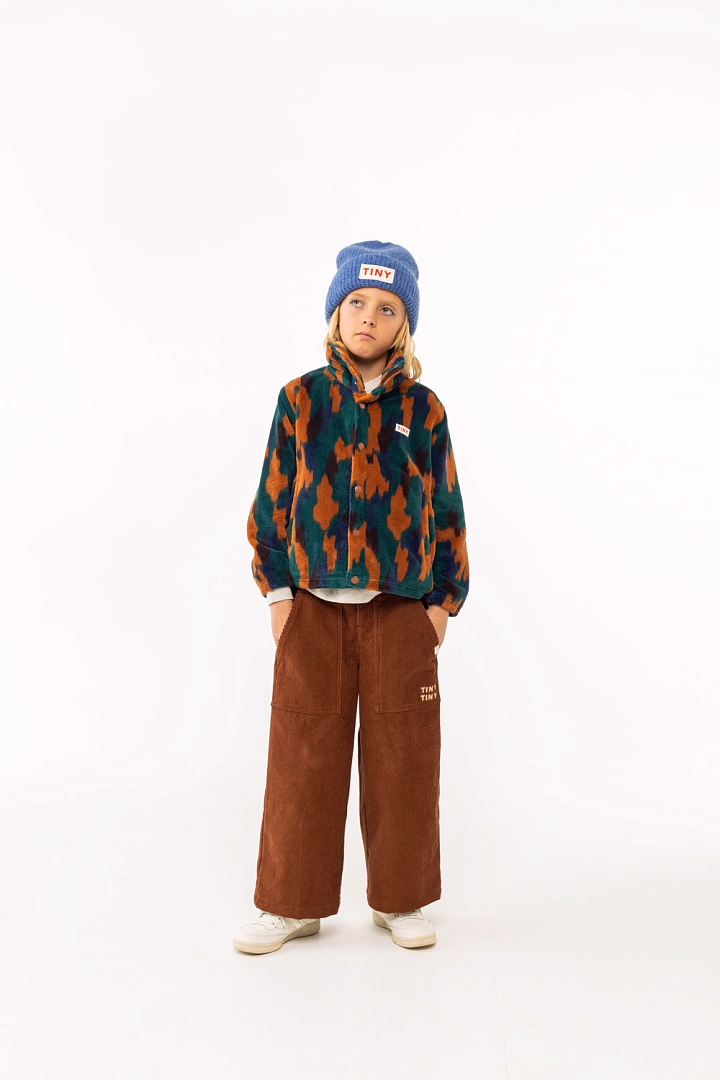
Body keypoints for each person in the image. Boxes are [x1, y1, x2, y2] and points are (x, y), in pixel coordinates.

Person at [233, 241, 469, 954]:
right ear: (336, 312)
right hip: (311, 610)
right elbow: (272, 502)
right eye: (357, 302)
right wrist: (279, 595)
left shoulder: (424, 409)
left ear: (405, 325)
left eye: (388, 308)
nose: (369, 316)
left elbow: (448, 510)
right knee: (302, 755)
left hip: (401, 612)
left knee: (405, 758)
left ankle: (401, 898)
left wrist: (440, 606)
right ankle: (291, 903)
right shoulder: (300, 399)